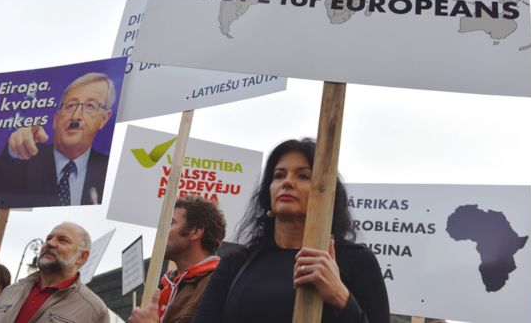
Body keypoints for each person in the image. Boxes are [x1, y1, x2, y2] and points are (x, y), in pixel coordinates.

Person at [192, 138, 390, 323]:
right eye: (279, 175)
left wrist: (341, 298)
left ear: (326, 191)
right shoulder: (236, 264)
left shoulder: (355, 261)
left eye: (303, 176)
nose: (287, 182)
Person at [0, 72, 115, 208]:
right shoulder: (28, 159)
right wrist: (13, 151)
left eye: (90, 106)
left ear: (104, 118)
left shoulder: (109, 171)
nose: (76, 116)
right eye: (70, 106)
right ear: (55, 119)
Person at [129, 196, 227, 323]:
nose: (161, 231)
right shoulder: (161, 287)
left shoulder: (218, 286)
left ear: (196, 231)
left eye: (171, 223)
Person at [0, 222, 109, 323]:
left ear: (81, 257)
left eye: (63, 240)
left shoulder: (94, 310)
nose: (50, 243)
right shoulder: (10, 291)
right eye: (48, 239)